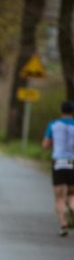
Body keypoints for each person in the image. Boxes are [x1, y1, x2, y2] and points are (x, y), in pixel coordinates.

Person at [41, 101, 74, 237]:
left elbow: (45, 145)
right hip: (73, 163)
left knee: (59, 197)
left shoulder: (53, 124)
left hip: (58, 163)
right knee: (72, 195)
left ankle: (63, 224)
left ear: (61, 110)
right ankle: (71, 207)